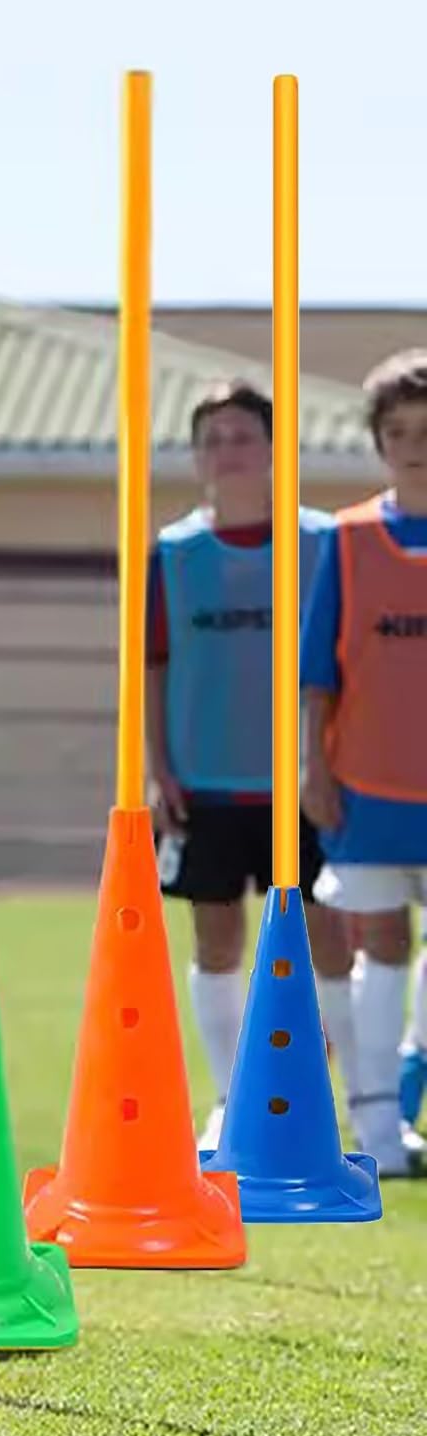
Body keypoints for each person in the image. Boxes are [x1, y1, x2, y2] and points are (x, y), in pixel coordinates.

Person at [148, 380, 351, 1151]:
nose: (227, 451)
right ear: (197, 457)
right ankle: (234, 1102)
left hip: (305, 779)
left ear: (273, 449)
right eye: (212, 439)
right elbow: (156, 666)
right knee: (218, 939)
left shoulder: (323, 543)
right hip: (206, 780)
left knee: (327, 938)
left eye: (242, 436)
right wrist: (156, 764)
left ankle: (344, 1106)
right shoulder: (173, 552)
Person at [301, 349, 427, 1178]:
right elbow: (317, 674)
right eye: (399, 431)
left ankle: (407, 1093)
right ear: (379, 442)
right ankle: (377, 1129)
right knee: (379, 942)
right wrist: (314, 768)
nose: (415, 444)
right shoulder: (346, 540)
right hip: (369, 785)